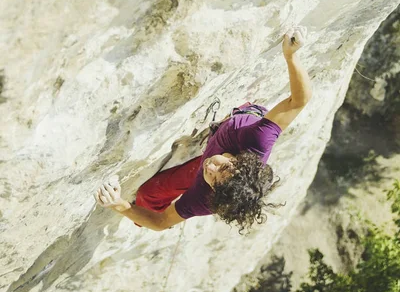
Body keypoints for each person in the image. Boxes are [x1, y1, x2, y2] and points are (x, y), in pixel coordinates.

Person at [95, 26, 312, 233]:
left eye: (214, 180)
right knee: (156, 191)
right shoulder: (257, 140)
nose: (211, 168)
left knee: (149, 194)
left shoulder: (206, 197)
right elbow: (299, 100)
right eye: (224, 168)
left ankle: (138, 217)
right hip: (239, 122)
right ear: (239, 161)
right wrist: (291, 56)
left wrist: (119, 205)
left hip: (205, 164)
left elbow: (162, 222)